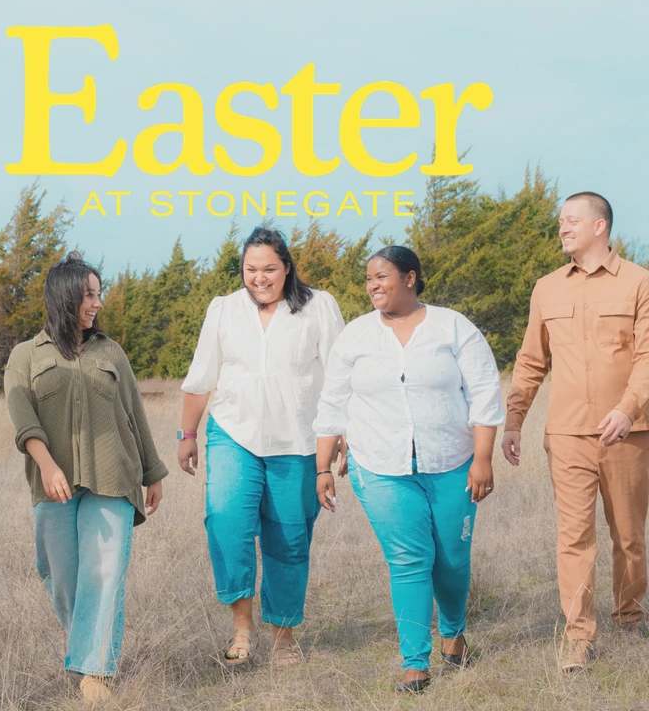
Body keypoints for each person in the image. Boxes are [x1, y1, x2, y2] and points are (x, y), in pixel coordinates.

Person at [314, 245, 503, 694]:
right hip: (379, 465)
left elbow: (484, 393)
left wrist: (482, 458)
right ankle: (414, 664)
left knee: (452, 560)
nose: (373, 286)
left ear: (410, 278)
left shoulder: (453, 327)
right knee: (409, 560)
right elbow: (332, 403)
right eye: (368, 279)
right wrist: (322, 467)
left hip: (452, 462)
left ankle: (453, 635)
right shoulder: (357, 336)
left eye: (382, 276)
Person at [4, 253, 167, 704]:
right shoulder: (25, 356)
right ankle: (86, 649)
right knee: (59, 573)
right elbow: (23, 420)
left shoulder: (110, 351)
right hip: (52, 482)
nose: (97, 302)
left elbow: (134, 413)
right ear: (65, 296)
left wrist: (153, 472)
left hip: (114, 476)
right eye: (89, 294)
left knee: (104, 571)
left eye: (98, 293)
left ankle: (96, 672)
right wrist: (47, 464)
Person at [178, 227, 344, 666]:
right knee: (227, 523)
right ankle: (240, 628)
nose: (259, 278)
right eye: (251, 270)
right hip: (234, 434)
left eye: (269, 268)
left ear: (286, 268)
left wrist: (340, 435)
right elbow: (201, 377)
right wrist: (188, 435)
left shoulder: (318, 307)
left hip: (299, 442)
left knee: (289, 538)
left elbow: (340, 375)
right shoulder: (224, 309)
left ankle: (284, 637)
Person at [502, 192, 649, 672]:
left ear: (600, 226)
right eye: (561, 221)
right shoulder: (547, 288)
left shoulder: (639, 283)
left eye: (571, 220)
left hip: (628, 433)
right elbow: (529, 361)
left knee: (628, 536)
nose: (562, 228)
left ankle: (628, 614)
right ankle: (579, 636)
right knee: (573, 535)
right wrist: (515, 419)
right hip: (566, 434)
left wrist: (627, 410)